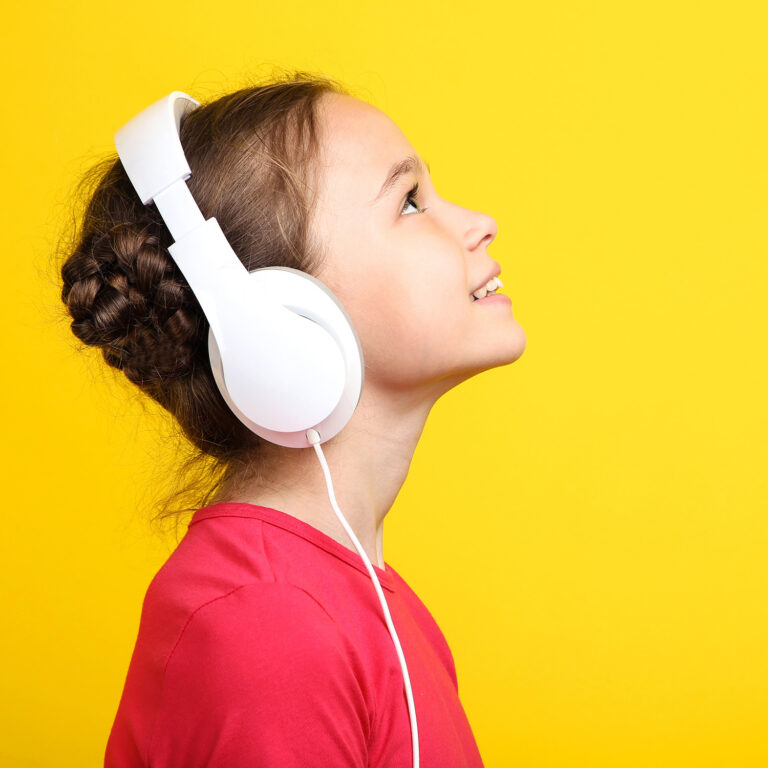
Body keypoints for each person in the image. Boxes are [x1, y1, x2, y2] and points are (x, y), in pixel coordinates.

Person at [59, 70, 527, 767]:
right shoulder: (266, 624)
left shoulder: (366, 604)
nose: (477, 222)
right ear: (273, 319)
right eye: (408, 202)